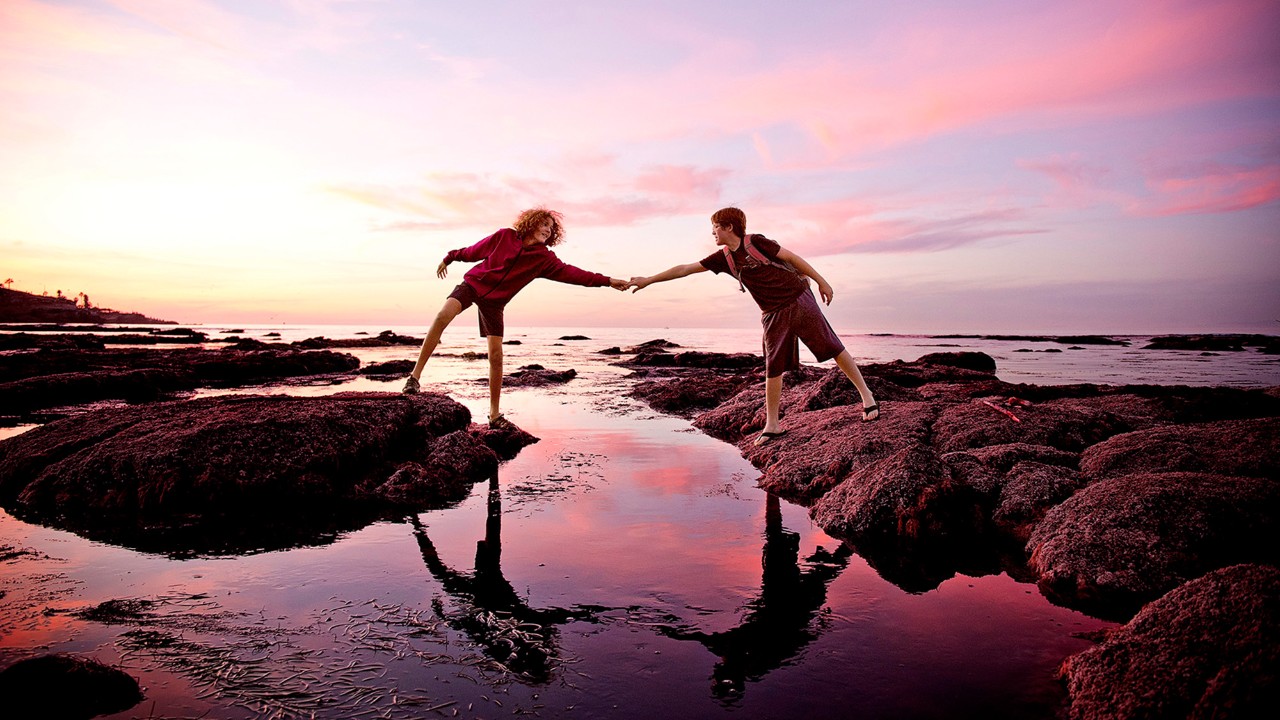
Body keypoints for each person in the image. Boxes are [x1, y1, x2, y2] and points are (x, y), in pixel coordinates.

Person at [629, 207, 878, 445]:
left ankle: (867, 397)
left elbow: (791, 258)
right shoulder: (723, 258)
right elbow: (685, 269)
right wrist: (649, 280)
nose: (712, 232)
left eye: (715, 227)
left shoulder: (756, 242)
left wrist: (822, 282)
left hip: (798, 298)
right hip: (771, 313)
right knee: (773, 366)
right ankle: (772, 425)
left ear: (729, 227)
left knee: (832, 347)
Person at [403, 207, 629, 426]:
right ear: (531, 223)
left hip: (495, 303)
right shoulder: (504, 236)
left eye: (551, 229)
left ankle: (494, 415)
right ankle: (414, 378)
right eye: (544, 224)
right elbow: (474, 251)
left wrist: (608, 281)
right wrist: (450, 257)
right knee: (442, 316)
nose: (548, 230)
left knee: (496, 355)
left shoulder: (544, 259)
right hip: (473, 284)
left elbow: (574, 274)